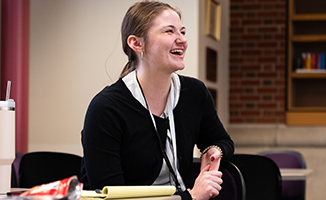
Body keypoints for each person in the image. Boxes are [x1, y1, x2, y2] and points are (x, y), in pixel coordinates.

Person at [79, 1, 234, 200]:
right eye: (169, 31)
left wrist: (215, 150)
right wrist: (191, 197)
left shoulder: (194, 93)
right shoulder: (105, 109)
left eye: (183, 32)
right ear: (136, 44)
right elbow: (113, 196)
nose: (182, 40)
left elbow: (221, 140)